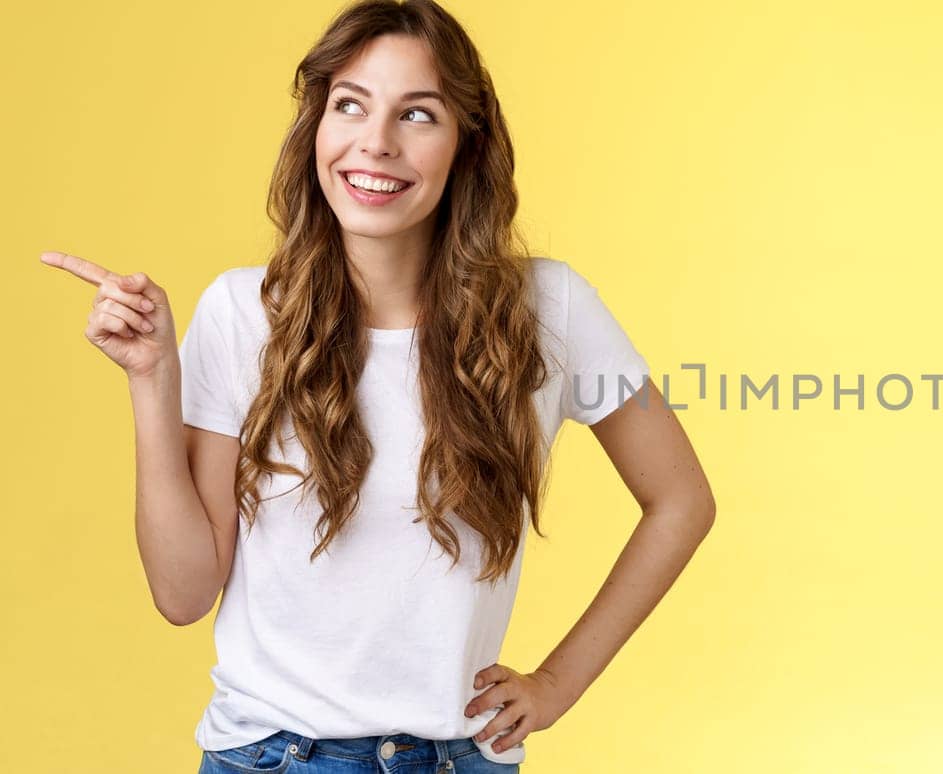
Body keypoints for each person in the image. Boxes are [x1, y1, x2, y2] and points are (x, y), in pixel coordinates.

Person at [39, 1, 715, 772]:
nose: (376, 143)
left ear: (467, 144)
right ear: (316, 130)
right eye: (350, 105)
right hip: (273, 755)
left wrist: (557, 683)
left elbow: (683, 500)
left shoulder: (548, 307)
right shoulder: (240, 311)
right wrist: (153, 381)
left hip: (464, 759)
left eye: (417, 114)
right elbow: (184, 595)